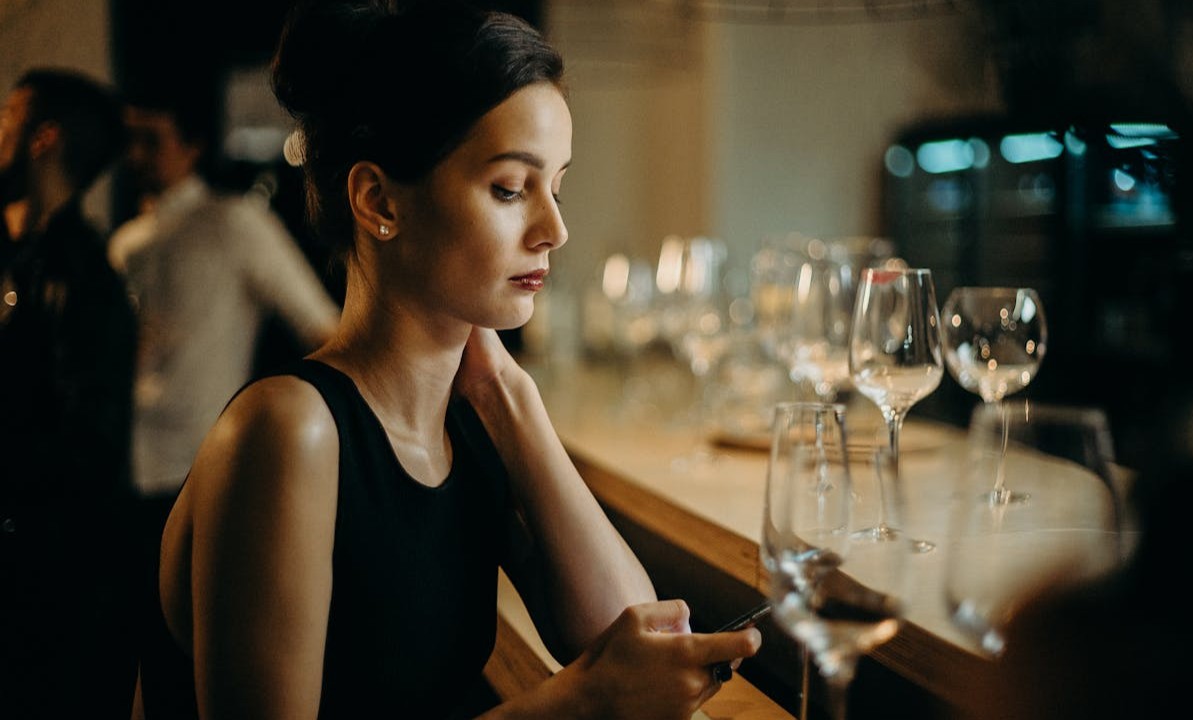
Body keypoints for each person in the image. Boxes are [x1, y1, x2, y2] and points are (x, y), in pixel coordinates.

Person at [135, 1, 761, 718]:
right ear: (378, 201)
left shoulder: (472, 423)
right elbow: (608, 685)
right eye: (508, 188)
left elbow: (628, 633)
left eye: (556, 185)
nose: (555, 229)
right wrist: (576, 706)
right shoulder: (287, 432)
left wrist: (509, 397)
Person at [107, 78, 341, 522]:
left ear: (193, 145)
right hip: (123, 463)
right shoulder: (122, 244)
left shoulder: (233, 223)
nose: (135, 156)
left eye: (151, 140)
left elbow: (319, 325)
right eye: (130, 140)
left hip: (200, 463)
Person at [0, 67, 138, 717]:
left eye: (9, 114)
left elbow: (90, 452)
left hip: (44, 599)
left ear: (42, 136)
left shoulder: (89, 287)